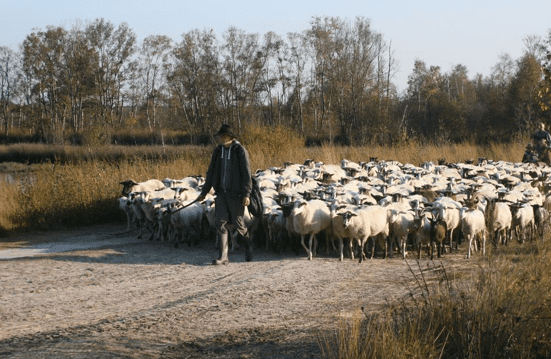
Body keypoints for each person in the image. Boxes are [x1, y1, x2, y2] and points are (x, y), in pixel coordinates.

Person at [196, 124, 253, 265]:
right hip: (221, 193)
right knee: (220, 223)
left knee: (238, 224)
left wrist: (246, 193)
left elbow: (247, 173)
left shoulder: (240, 150)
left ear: (231, 138)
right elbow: (211, 173)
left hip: (236, 194)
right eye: (220, 136)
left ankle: (248, 244)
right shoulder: (218, 151)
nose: (221, 139)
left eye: (224, 136)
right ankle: (223, 257)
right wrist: (204, 192)